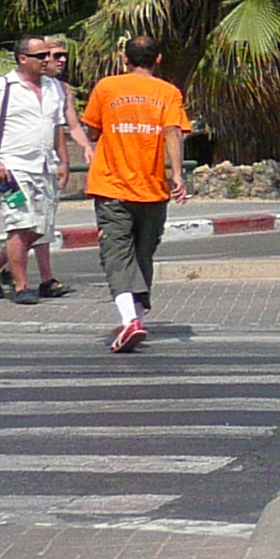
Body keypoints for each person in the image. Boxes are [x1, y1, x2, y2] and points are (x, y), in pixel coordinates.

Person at [79, 35, 190, 355]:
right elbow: (173, 132)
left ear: (125, 59)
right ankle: (136, 318)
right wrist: (178, 175)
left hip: (111, 185)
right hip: (153, 188)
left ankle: (131, 320)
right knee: (143, 253)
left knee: (116, 253)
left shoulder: (106, 87)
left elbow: (93, 130)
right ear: (158, 60)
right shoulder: (168, 92)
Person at [0, 35, 89, 305]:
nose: (47, 60)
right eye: (41, 56)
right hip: (14, 168)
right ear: (23, 58)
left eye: (48, 56)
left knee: (40, 227)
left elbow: (57, 127)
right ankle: (21, 284)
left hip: (44, 166)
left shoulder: (54, 89)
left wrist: (63, 160)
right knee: (19, 223)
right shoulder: (3, 86)